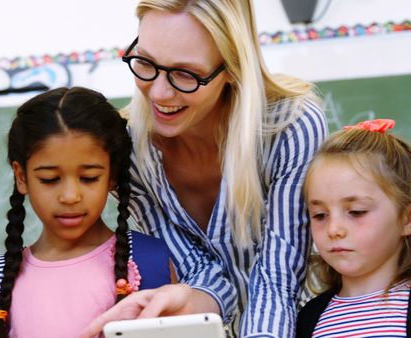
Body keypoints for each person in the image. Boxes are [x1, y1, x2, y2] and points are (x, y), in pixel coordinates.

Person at [81, 1, 328, 337]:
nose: (159, 91)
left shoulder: (288, 126)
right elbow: (200, 273)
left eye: (186, 73)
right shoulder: (129, 151)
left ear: (232, 68)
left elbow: (278, 280)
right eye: (146, 62)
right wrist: (184, 299)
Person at [0, 87, 175, 338]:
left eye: (89, 178)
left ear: (111, 176)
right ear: (21, 177)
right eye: (49, 179)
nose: (70, 196)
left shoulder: (155, 259)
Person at [296, 119, 411, 337]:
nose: (334, 229)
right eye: (320, 215)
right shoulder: (307, 319)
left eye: (356, 212)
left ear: (406, 219)